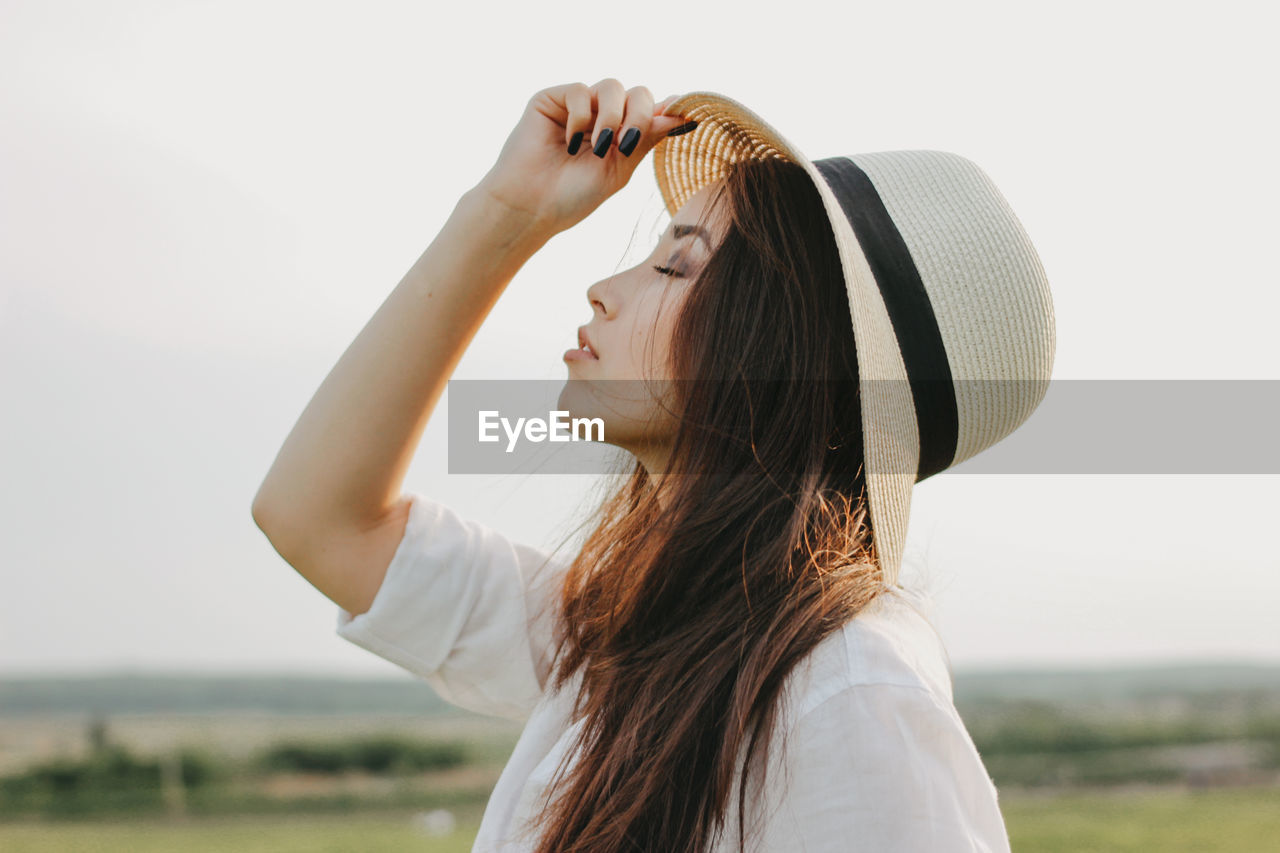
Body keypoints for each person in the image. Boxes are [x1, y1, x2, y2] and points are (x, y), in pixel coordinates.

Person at [252, 78, 1055, 852]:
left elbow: (328, 523)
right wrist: (505, 212)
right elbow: (318, 518)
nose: (603, 289)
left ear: (781, 353)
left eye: (676, 265)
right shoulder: (628, 635)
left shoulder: (845, 692)